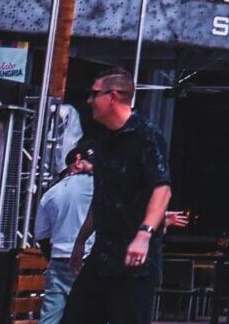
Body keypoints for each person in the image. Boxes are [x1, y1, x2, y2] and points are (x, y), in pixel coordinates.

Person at [60, 71, 175, 324]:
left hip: (134, 262)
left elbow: (162, 188)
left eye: (94, 94)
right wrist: (81, 240)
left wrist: (143, 235)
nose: (89, 100)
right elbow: (103, 195)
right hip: (102, 255)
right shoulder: (103, 140)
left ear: (113, 97)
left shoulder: (146, 134)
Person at [34, 148, 97, 324]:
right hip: (86, 259)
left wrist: (52, 257)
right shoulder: (95, 185)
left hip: (58, 259)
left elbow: (41, 234)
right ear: (78, 161)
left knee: (50, 317)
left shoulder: (50, 193)